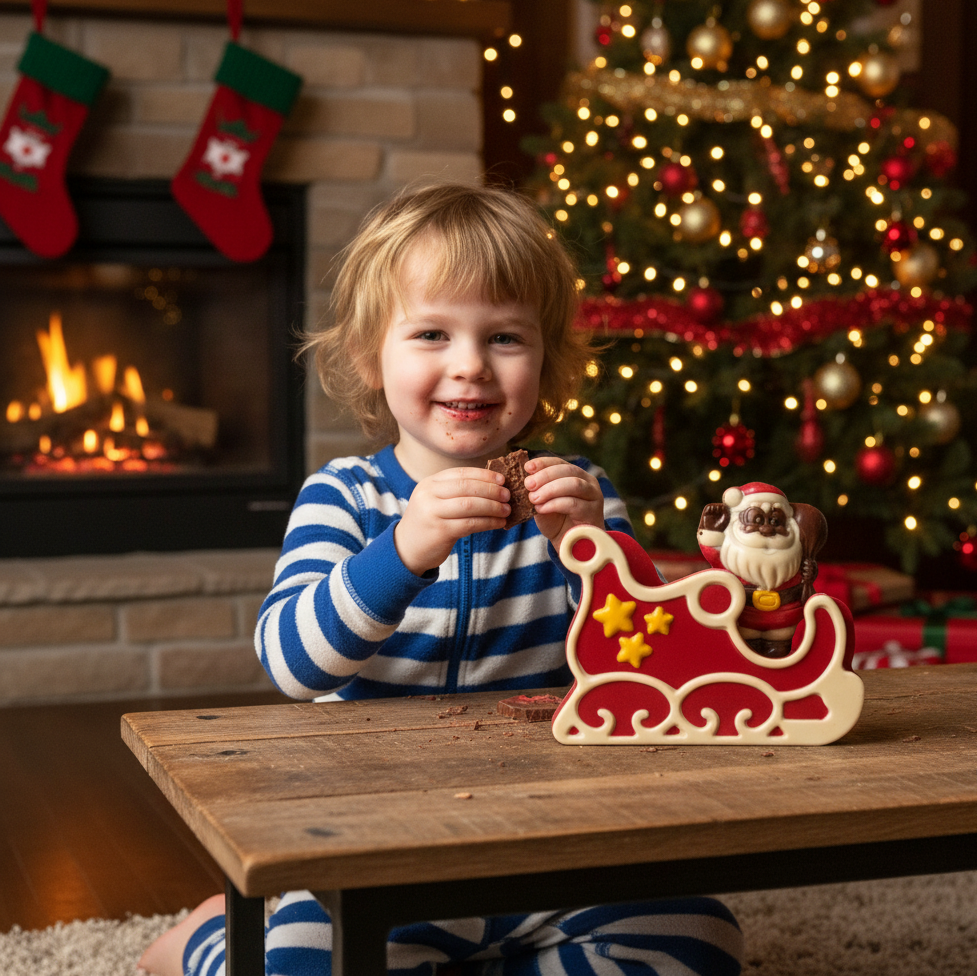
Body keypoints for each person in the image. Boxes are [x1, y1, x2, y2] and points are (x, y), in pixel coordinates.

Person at [139, 183, 744, 976]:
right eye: (431, 333)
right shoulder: (345, 495)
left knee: (700, 941)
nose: (470, 366)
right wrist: (405, 546)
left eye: (505, 337)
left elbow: (648, 669)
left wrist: (591, 551)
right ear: (369, 357)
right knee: (292, 966)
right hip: (369, 847)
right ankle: (206, 938)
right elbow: (292, 663)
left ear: (547, 363)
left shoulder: (582, 494)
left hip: (552, 841)